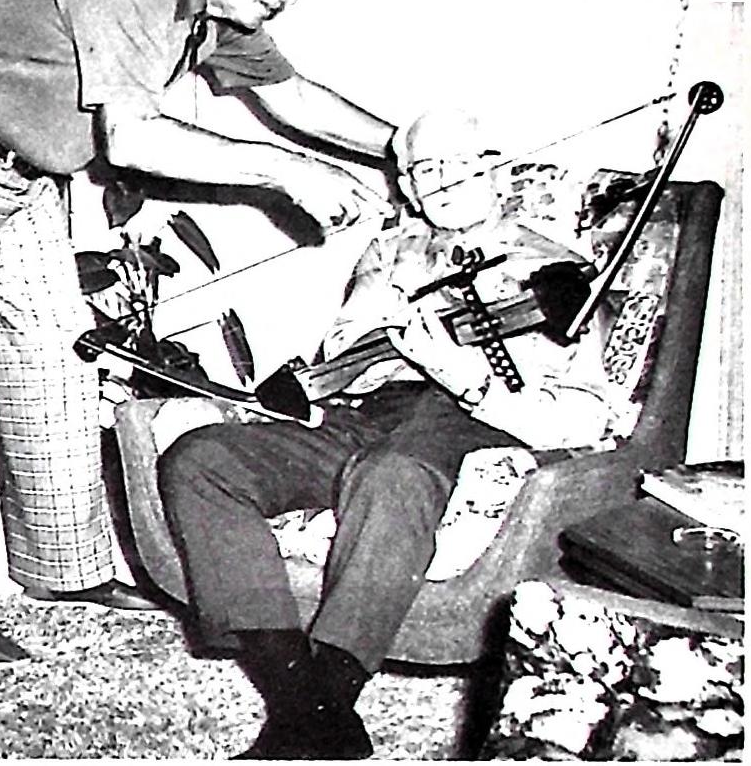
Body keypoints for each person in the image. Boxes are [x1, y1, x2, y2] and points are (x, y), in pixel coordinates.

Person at [0, 0, 395, 664]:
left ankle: (64, 568)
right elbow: (133, 140)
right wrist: (287, 171)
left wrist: (406, 147)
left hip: (24, 165)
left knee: (56, 350)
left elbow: (295, 97)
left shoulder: (215, 11)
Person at [156, 114, 616, 759]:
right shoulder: (391, 250)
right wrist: (373, 336)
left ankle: (321, 703)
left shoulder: (557, 270)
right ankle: (305, 707)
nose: (444, 180)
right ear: (409, 185)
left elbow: (587, 419)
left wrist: (463, 374)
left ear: (498, 168)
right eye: (426, 169)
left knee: (394, 474)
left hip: (474, 419)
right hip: (368, 411)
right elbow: (341, 350)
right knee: (200, 459)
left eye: (461, 163)